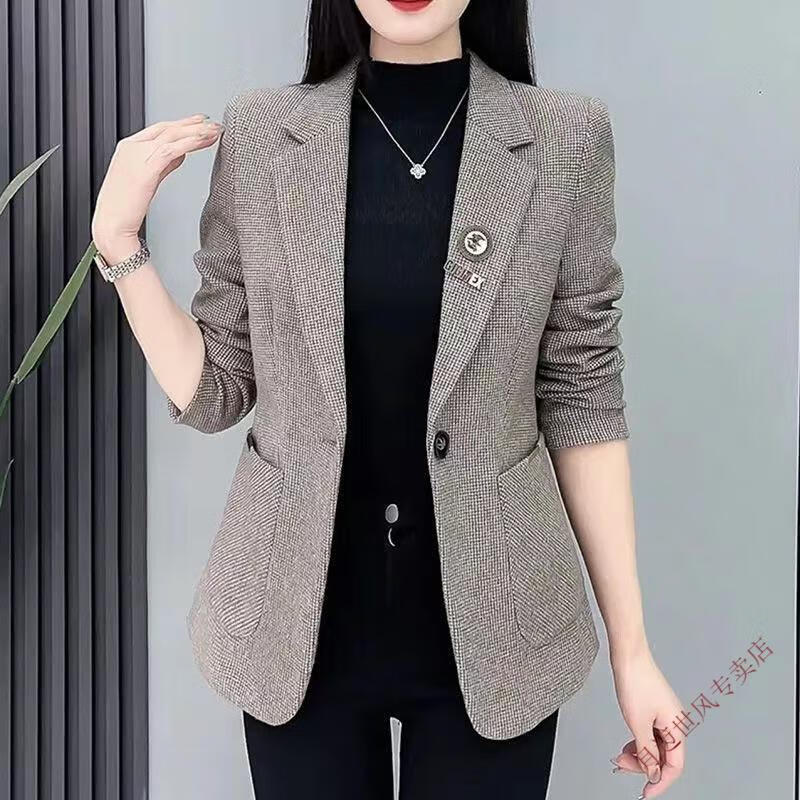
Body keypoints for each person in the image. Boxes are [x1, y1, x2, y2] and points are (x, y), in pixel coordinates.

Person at [91, 0, 687, 797]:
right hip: (296, 630)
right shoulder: (264, 134)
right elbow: (217, 391)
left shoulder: (564, 137)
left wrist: (632, 652)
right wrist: (121, 247)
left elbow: (582, 395)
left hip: (497, 626)